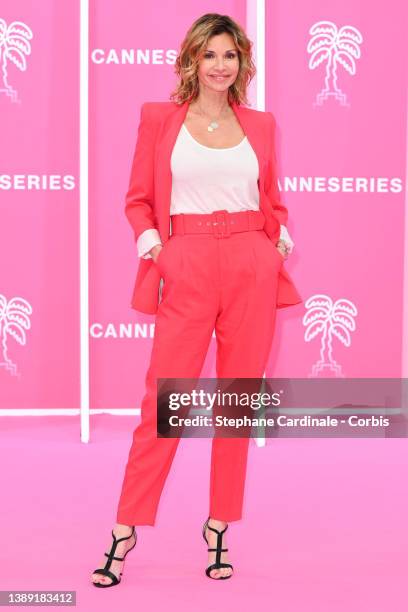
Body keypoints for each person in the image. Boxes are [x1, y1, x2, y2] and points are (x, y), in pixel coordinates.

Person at [91, 12, 302, 587]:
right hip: (185, 262)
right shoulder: (160, 119)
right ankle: (125, 527)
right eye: (209, 55)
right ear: (191, 60)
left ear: (242, 63)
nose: (219, 65)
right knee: (164, 404)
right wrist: (157, 247)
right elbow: (137, 199)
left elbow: (271, 199)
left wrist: (276, 238)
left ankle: (217, 526)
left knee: (237, 404)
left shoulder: (260, 123)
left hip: (250, 266)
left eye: (229, 55)